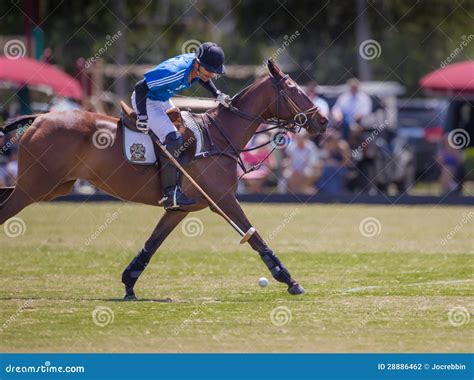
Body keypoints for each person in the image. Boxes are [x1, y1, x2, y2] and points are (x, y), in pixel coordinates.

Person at [131, 42, 232, 210]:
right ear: (197, 63)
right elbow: (140, 87)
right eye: (209, 70)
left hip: (162, 99)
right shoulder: (174, 72)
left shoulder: (198, 68)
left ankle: (179, 179)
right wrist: (142, 115)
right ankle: (170, 194)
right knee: (174, 139)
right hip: (147, 100)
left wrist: (217, 95)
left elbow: (202, 78)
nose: (212, 75)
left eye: (215, 72)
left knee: (187, 132)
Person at [282, 130, 322, 195]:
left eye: (302, 137)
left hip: (307, 169)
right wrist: (293, 169)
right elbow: (288, 160)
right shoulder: (291, 146)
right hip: (293, 170)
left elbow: (313, 162)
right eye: (298, 137)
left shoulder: (311, 147)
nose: (299, 139)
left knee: (310, 173)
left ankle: (300, 192)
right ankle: (300, 192)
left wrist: (301, 170)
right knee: (288, 174)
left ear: (305, 137)